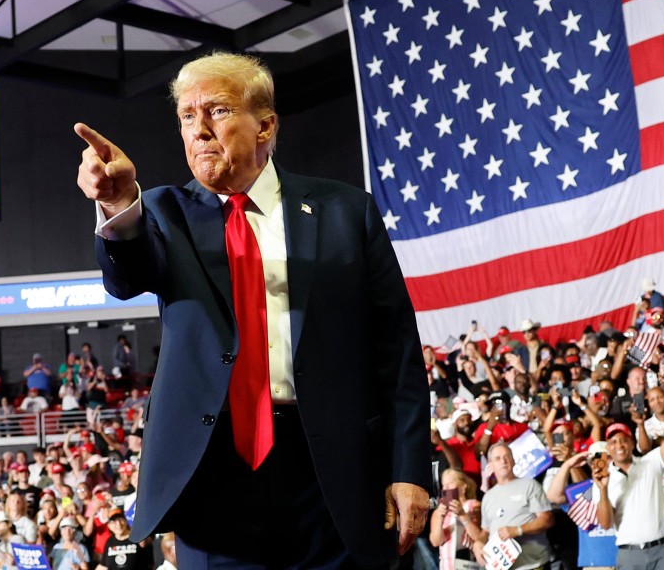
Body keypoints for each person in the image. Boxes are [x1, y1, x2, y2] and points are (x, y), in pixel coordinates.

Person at [74, 51, 430, 567]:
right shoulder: (162, 212)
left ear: (264, 126)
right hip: (213, 474)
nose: (198, 129)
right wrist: (118, 204)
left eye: (215, 111)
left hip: (332, 471)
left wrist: (410, 468)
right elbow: (126, 278)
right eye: (186, 116)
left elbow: (396, 349)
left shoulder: (345, 212)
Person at [593, 376, 664, 570]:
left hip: (663, 550)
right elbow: (605, 524)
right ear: (608, 449)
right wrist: (602, 489)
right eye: (613, 442)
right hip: (629, 555)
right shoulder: (602, 478)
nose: (619, 445)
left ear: (631, 442)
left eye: (623, 439)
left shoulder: (651, 462)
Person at [476, 442, 554, 570]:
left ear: (513, 460)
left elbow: (547, 519)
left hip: (533, 565)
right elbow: (486, 530)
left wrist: (518, 530)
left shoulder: (530, 485)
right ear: (491, 465)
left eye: (507, 456)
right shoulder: (488, 496)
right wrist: (478, 542)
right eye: (497, 458)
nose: (503, 461)